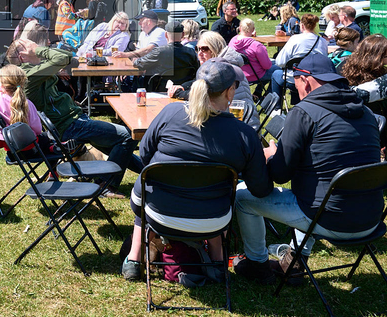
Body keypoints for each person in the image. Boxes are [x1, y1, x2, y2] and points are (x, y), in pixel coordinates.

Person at [234, 53, 383, 284]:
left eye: (296, 86)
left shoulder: (304, 112)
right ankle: (294, 261)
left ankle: (257, 264)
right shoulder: (367, 113)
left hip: (329, 220)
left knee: (242, 197)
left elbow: (279, 174)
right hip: (371, 220)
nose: (297, 93)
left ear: (305, 80)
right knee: (317, 188)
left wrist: (273, 155)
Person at [122, 60, 272, 281]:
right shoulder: (244, 134)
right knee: (213, 193)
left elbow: (145, 155)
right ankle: (217, 264)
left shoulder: (170, 112)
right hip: (213, 219)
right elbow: (260, 189)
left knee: (146, 187)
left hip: (159, 214)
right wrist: (269, 160)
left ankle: (134, 261)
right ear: (229, 92)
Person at [5, 39, 140, 195]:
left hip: (74, 121)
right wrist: (38, 50)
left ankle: (153, 175)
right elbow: (62, 58)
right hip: (70, 126)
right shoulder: (28, 75)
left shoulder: (34, 70)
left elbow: (69, 57)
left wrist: (42, 55)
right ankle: (105, 185)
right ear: (22, 56)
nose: (35, 45)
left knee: (118, 146)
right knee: (128, 136)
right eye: (29, 45)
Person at [0, 64, 46, 151]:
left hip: (9, 145)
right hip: (30, 146)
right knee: (47, 139)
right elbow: (38, 129)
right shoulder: (27, 103)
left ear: (1, 84)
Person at [271, 14, 327, 102]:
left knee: (276, 74)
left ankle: (276, 106)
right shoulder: (323, 41)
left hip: (293, 79)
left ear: (302, 25)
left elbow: (280, 62)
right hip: (315, 79)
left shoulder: (294, 39)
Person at [131, 21, 199, 92]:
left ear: (166, 35)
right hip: (182, 91)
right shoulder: (191, 52)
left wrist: (136, 59)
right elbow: (196, 72)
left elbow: (138, 64)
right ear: (182, 35)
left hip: (158, 91)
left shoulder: (159, 52)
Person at [229, 18, 277, 86]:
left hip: (238, 75)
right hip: (255, 76)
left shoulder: (232, 41)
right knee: (278, 70)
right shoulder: (256, 46)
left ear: (240, 29)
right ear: (253, 29)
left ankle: (258, 91)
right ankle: (269, 92)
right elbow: (267, 66)